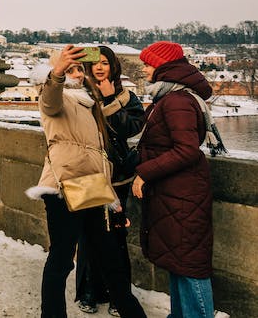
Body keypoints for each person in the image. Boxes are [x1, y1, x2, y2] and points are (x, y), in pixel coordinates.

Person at [25, 45, 145, 318]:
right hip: (64, 187)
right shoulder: (57, 94)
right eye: (72, 70)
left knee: (109, 257)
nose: (77, 74)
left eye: (79, 69)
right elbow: (49, 101)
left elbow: (107, 146)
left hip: (92, 185)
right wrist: (57, 71)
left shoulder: (89, 101)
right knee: (61, 260)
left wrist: (111, 199)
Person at [132, 42, 215, 318]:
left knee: (190, 266)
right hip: (174, 194)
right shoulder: (168, 98)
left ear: (162, 65)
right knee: (180, 263)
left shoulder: (177, 100)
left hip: (183, 196)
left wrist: (145, 172)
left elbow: (186, 149)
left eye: (147, 63)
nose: (144, 67)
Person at [75, 46, 145, 315]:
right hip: (88, 173)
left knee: (116, 235)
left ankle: (119, 294)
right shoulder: (80, 94)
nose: (100, 68)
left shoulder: (127, 96)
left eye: (105, 63)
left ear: (113, 66)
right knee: (89, 234)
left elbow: (132, 128)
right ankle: (91, 290)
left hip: (118, 177)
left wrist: (110, 100)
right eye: (96, 64)